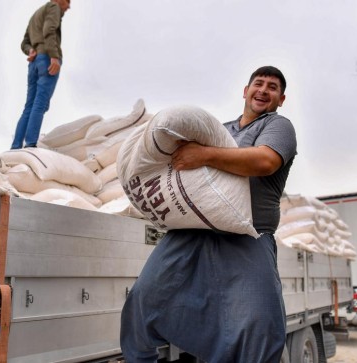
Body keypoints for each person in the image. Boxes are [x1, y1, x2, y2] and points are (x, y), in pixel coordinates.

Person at [120, 66, 297, 363]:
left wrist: (203, 155)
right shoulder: (221, 129)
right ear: (245, 90)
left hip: (248, 237)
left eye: (272, 87)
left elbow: (265, 161)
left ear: (281, 99)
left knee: (259, 325)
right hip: (194, 230)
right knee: (144, 298)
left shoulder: (278, 126)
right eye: (258, 83)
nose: (264, 90)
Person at [10, 0, 70, 150]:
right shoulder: (53, 7)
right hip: (47, 59)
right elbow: (49, 30)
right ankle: (30, 145)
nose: (68, 6)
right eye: (67, 1)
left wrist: (30, 50)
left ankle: (16, 147)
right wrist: (54, 56)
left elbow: (24, 42)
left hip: (34, 62)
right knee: (40, 103)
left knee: (29, 106)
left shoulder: (36, 14)